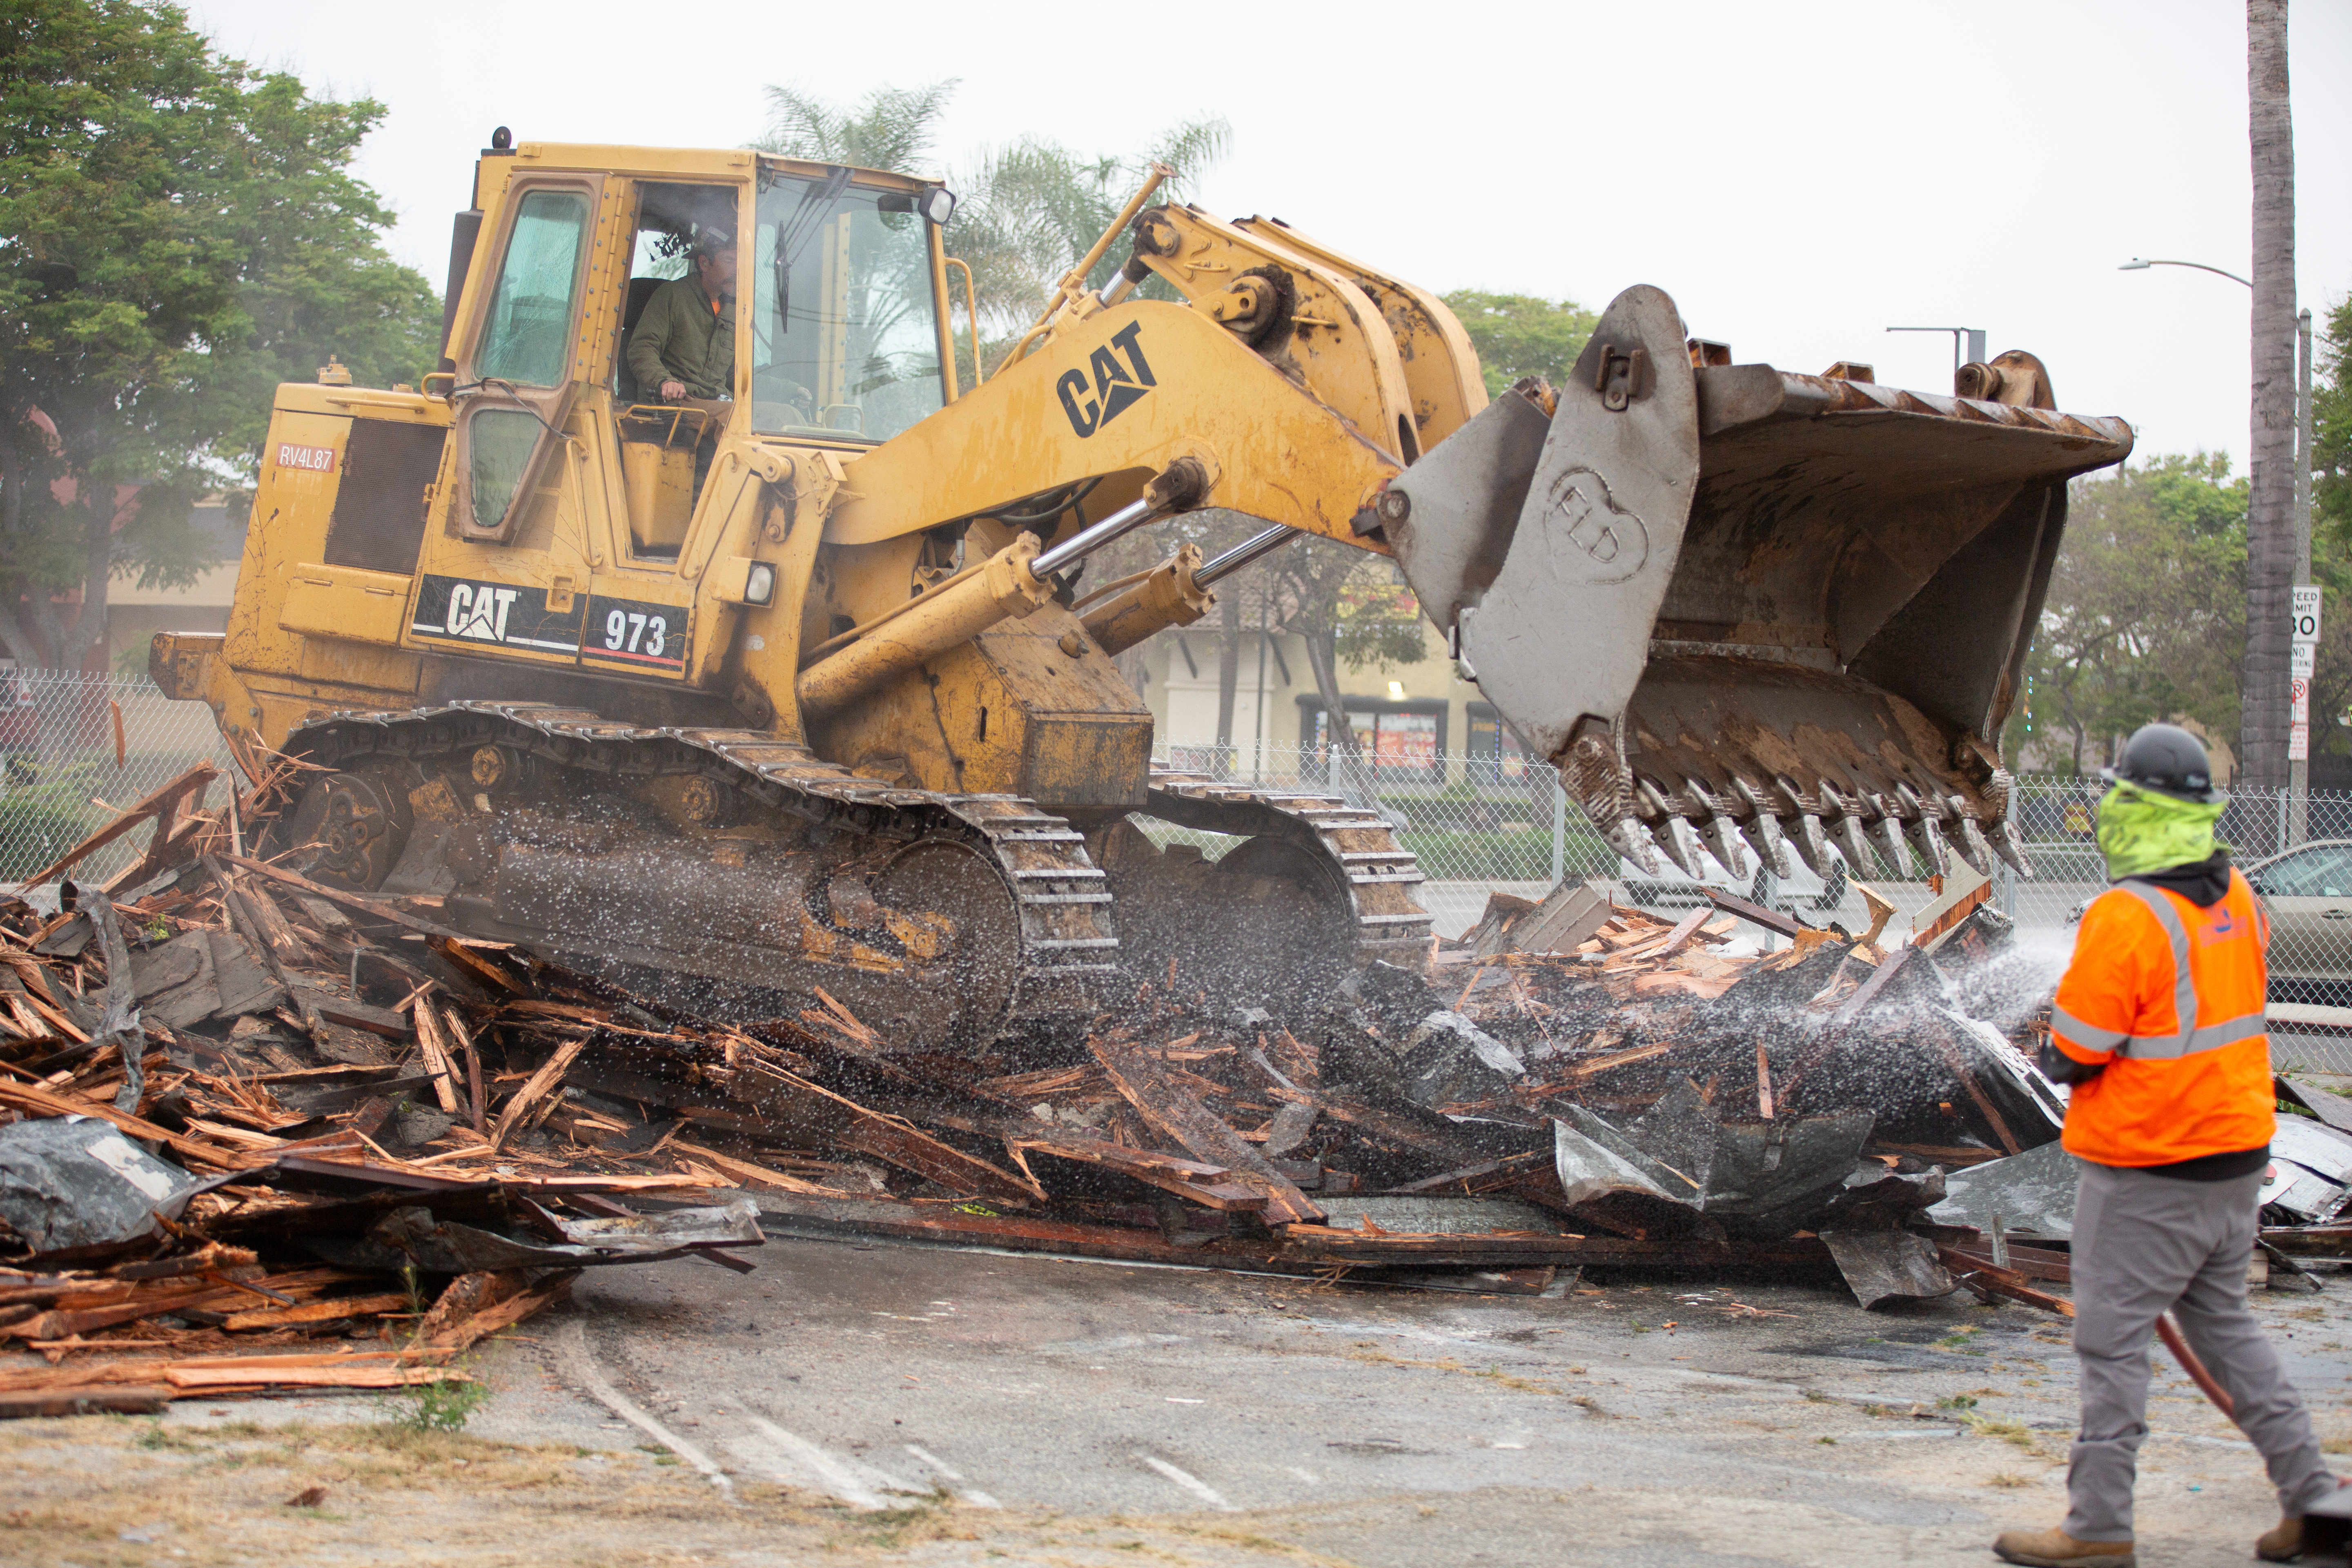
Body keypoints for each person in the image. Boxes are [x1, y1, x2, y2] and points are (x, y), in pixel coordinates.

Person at [1993, 723, 2343, 1568]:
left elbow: (2076, 1050)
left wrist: (2050, 1045)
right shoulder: (2241, 899)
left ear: (2130, 811)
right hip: (2235, 1161)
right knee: (2226, 1327)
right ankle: (2317, 1501)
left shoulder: (2125, 916)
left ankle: (2098, 1527)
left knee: (2111, 1344)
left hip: (2149, 1166)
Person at [626, 226, 735, 403]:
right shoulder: (673, 296)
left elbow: (738, 373)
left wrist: (790, 388)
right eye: (730, 261)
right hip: (679, 403)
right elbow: (642, 349)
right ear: (704, 263)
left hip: (718, 402)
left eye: (741, 263)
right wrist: (665, 382)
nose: (737, 271)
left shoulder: (733, 310)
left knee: (783, 416)